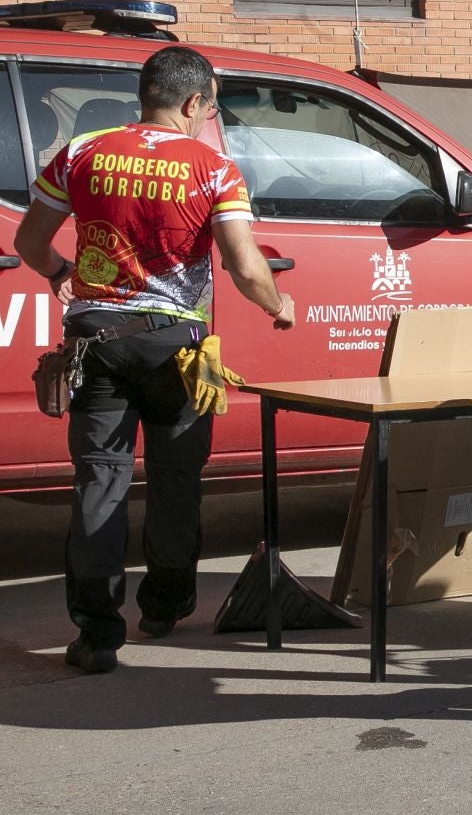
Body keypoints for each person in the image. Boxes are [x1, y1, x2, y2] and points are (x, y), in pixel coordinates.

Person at [11, 46, 295, 675]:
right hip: (178, 346)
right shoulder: (213, 168)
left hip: (97, 342)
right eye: (210, 107)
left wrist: (61, 272)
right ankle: (164, 607)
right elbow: (247, 268)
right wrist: (280, 305)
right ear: (193, 102)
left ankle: (96, 635)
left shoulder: (83, 151)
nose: (207, 117)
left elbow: (29, 239)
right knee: (175, 480)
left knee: (100, 484)